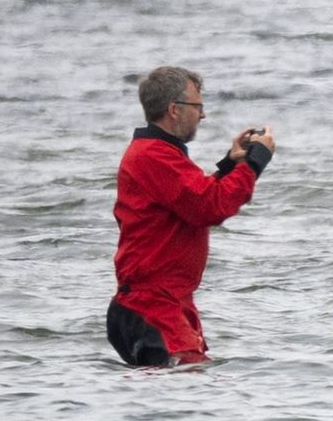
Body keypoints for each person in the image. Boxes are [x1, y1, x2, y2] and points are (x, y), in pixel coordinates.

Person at [107, 65, 276, 366]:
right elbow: (211, 206)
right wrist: (255, 163)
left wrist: (230, 165)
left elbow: (192, 198)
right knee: (187, 384)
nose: (203, 115)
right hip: (152, 306)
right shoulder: (153, 155)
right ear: (174, 109)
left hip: (166, 303)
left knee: (190, 389)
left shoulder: (161, 154)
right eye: (198, 106)